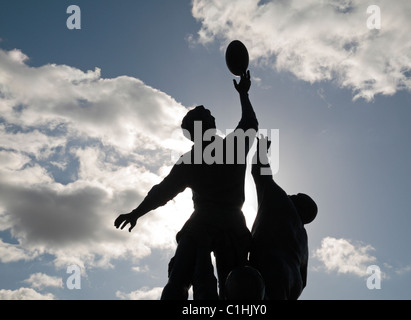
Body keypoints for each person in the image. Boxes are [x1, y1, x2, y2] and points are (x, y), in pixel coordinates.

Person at [114, 71, 258, 300]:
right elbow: (250, 123)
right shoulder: (231, 147)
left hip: (205, 222)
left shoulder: (191, 160)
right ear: (201, 127)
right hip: (230, 224)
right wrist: (244, 94)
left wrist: (136, 213)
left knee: (181, 280)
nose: (212, 118)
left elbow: (162, 191)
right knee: (231, 287)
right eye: (208, 116)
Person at [249, 135, 317, 300]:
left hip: (272, 265)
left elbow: (260, 172)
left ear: (299, 203)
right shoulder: (303, 236)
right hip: (295, 281)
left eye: (296, 195)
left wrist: (262, 150)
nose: (291, 194)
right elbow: (304, 278)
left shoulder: (281, 200)